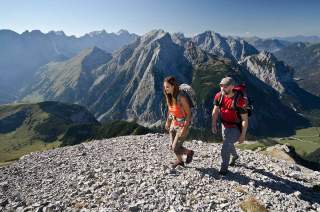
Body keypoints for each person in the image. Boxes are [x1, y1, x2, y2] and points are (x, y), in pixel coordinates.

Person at [212, 77, 249, 175]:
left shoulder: (239, 101)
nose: (222, 88)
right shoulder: (219, 96)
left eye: (225, 86)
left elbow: (245, 120)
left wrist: (242, 135)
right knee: (227, 142)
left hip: (236, 127)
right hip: (224, 124)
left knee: (225, 146)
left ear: (232, 87)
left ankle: (224, 168)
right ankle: (235, 156)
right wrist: (213, 124)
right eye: (221, 86)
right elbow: (215, 110)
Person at [163, 76, 194, 168]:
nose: (165, 89)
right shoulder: (169, 96)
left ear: (173, 86)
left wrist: (184, 128)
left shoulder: (181, 98)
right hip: (174, 123)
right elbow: (171, 110)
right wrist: (168, 122)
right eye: (164, 87)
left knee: (175, 147)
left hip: (182, 125)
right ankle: (180, 161)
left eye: (167, 87)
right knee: (172, 147)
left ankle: (189, 152)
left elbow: (188, 114)